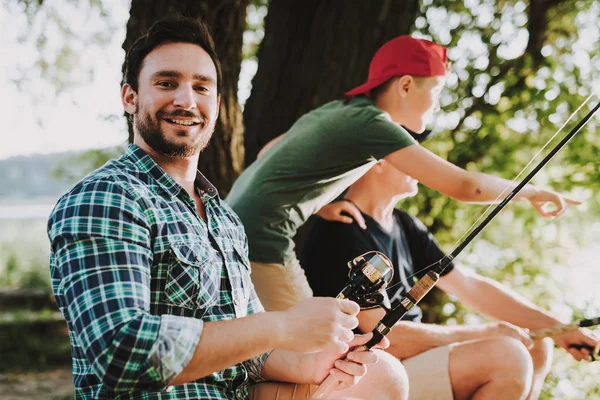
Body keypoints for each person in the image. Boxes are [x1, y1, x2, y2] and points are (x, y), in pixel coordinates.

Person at [47, 17, 409, 400]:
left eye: (201, 87)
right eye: (167, 83)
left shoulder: (225, 219)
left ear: (216, 104)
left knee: (382, 375)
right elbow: (120, 351)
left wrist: (313, 363)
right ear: (130, 97)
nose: (187, 100)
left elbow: (247, 348)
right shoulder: (106, 198)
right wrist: (282, 326)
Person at [225, 35, 578, 312]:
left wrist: (320, 203)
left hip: (231, 221)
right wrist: (530, 191)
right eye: (436, 92)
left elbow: (267, 151)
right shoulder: (373, 123)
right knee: (313, 347)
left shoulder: (340, 110)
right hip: (260, 239)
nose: (438, 105)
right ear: (406, 86)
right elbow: (464, 186)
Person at [299, 160, 599, 400]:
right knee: (507, 356)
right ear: (378, 160)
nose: (424, 161)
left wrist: (559, 329)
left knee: (538, 346)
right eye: (411, 152)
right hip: (369, 374)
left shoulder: (404, 225)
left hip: (409, 363)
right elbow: (387, 339)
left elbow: (470, 286)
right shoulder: (341, 228)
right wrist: (485, 333)